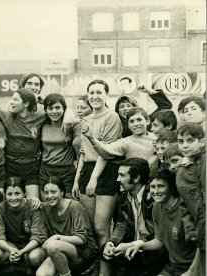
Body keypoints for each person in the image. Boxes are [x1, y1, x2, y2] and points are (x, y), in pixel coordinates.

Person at [71, 79, 122, 274]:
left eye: (99, 92)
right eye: (91, 92)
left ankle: (107, 270)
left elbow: (107, 152)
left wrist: (93, 178)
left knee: (102, 228)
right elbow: (83, 153)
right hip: (87, 172)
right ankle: (95, 265)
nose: (95, 96)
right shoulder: (86, 119)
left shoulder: (112, 117)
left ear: (106, 95)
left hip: (106, 172)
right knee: (90, 228)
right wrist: (78, 180)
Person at [102, 158, 168, 276]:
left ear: (136, 178)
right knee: (106, 252)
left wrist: (133, 245)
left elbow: (160, 236)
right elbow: (121, 225)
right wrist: (110, 243)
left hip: (153, 249)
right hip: (135, 248)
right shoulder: (123, 198)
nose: (117, 179)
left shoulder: (154, 197)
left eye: (122, 175)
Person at [125, 168, 197, 276]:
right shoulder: (156, 206)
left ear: (171, 187)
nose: (156, 191)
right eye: (153, 187)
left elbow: (201, 246)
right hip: (173, 265)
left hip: (193, 266)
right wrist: (140, 246)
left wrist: (191, 271)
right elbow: (160, 240)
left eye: (161, 186)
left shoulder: (184, 209)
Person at [36, 177, 97, 276]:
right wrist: (34, 199)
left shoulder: (74, 206)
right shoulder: (46, 207)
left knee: (52, 246)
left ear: (62, 192)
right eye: (46, 193)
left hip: (82, 253)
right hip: (58, 253)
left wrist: (57, 237)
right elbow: (25, 203)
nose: (49, 196)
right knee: (41, 274)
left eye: (53, 192)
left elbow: (81, 239)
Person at [0, 177, 47, 273]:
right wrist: (11, 250)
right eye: (9, 194)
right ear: (5, 195)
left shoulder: (33, 206)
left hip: (31, 246)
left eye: (17, 193)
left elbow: (38, 237)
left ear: (24, 193)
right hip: (11, 245)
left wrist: (21, 252)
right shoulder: (0, 208)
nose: (13, 198)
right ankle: (8, 269)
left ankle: (30, 269)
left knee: (34, 257)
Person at [0, 89, 46, 199]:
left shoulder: (40, 116)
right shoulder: (7, 116)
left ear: (26, 103)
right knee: (13, 201)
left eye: (15, 99)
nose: (11, 102)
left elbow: (63, 110)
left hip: (31, 167)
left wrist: (44, 100)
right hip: (11, 167)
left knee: (33, 202)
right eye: (12, 99)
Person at [176, 123, 205, 276]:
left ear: (202, 141)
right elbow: (184, 204)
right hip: (201, 232)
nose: (185, 145)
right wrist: (191, 230)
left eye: (190, 140)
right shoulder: (182, 172)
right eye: (181, 141)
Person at [82, 107, 156, 162]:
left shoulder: (157, 138)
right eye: (132, 121)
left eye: (139, 120)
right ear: (128, 126)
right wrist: (91, 137)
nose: (136, 124)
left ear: (148, 121)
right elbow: (105, 151)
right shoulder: (126, 142)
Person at [40, 94, 76, 198]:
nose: (54, 111)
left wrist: (69, 113)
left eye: (57, 108)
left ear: (64, 109)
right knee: (47, 203)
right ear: (46, 110)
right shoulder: (42, 124)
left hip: (66, 171)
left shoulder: (71, 125)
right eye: (50, 108)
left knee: (68, 203)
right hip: (46, 169)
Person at [73, 95, 92, 160]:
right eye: (77, 108)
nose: (79, 111)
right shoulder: (76, 127)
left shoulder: (100, 126)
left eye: (83, 108)